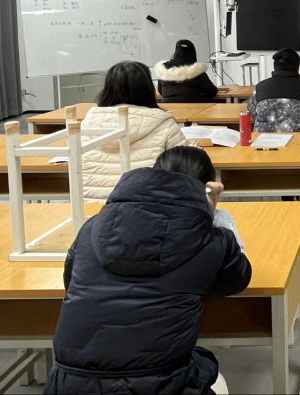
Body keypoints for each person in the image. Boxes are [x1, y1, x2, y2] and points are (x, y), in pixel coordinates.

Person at [45, 146, 251, 395]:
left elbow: (71, 281)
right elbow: (238, 277)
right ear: (208, 190)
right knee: (211, 374)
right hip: (161, 384)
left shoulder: (92, 227)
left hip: (69, 383)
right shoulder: (210, 241)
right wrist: (213, 215)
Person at [81, 60, 186, 200]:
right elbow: (184, 167)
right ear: (147, 88)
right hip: (144, 205)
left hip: (90, 205)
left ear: (108, 89)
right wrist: (193, 152)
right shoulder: (164, 123)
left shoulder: (88, 123)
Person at [247, 48, 300, 132]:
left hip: (262, 139)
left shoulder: (260, 87)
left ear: (275, 67)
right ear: (298, 67)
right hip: (299, 140)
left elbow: (253, 112)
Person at [154, 39, 218, 103]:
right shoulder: (197, 71)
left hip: (168, 107)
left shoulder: (163, 70)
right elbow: (212, 92)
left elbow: (160, 91)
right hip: (194, 107)